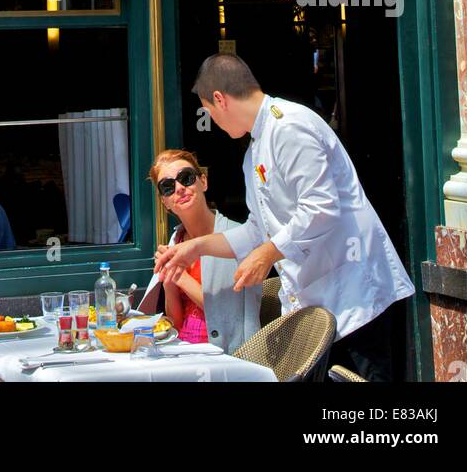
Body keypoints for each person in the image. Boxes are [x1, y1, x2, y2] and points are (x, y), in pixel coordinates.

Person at [155, 54, 414, 381]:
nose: (214, 124)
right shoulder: (254, 153)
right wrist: (195, 248)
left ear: (219, 100)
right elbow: (256, 231)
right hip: (315, 306)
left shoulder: (289, 125)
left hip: (353, 296)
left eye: (209, 112)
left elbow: (320, 207)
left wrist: (267, 254)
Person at [138, 149, 260, 353]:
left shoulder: (236, 236)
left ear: (203, 181)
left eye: (186, 178)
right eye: (167, 187)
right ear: (165, 202)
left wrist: (182, 277)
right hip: (182, 350)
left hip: (224, 355)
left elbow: (228, 313)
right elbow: (175, 322)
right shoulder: (176, 239)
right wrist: (168, 282)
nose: (179, 188)